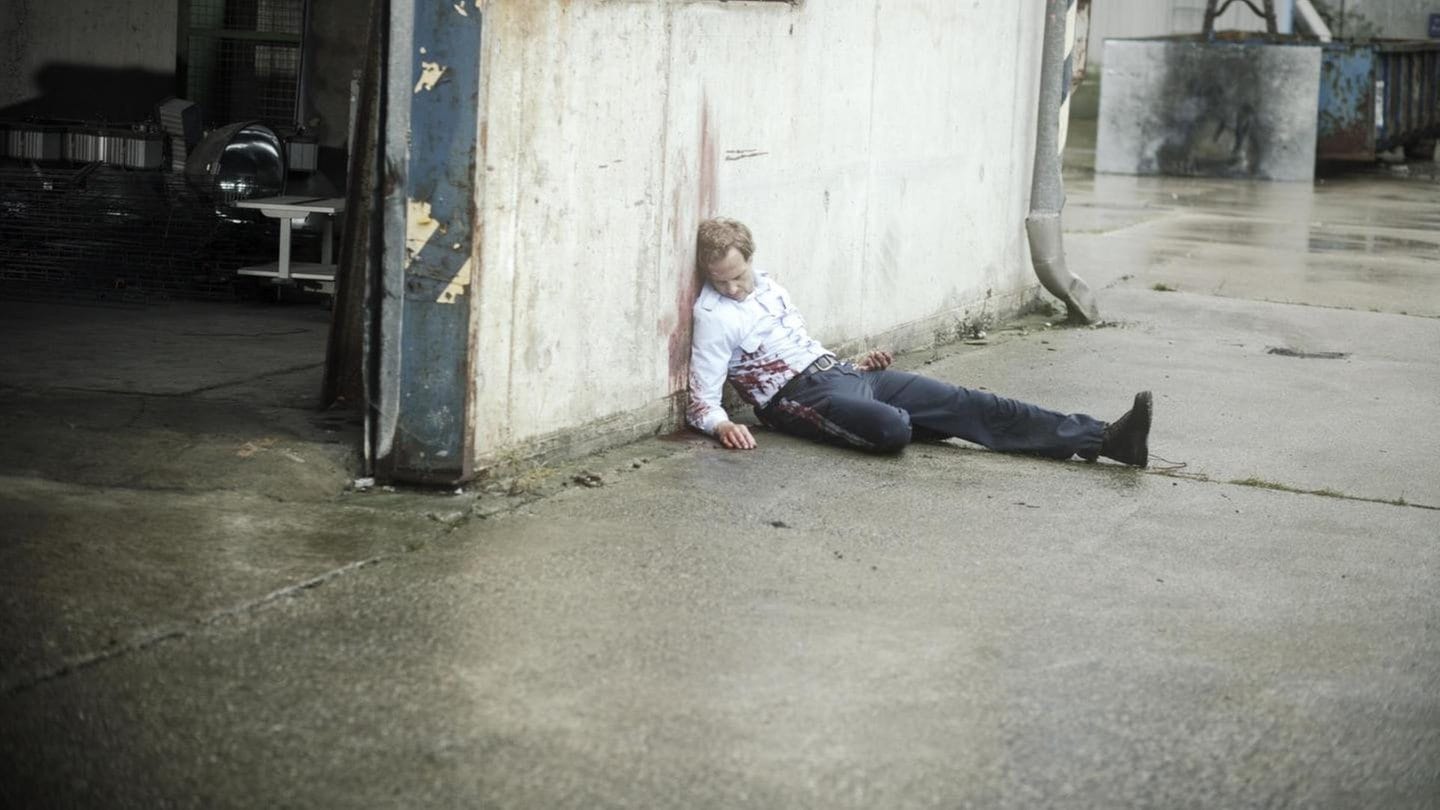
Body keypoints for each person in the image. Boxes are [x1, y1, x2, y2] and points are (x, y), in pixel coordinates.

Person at [685, 217, 1152, 466]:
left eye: (737, 276)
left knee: (969, 400)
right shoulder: (712, 316)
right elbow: (701, 403)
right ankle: (934, 421)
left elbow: (798, 347)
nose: (731, 288)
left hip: (845, 374)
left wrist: (853, 364)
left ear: (751, 258)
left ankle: (1103, 440)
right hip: (797, 400)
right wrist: (722, 425)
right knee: (893, 430)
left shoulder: (770, 285)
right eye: (719, 281)